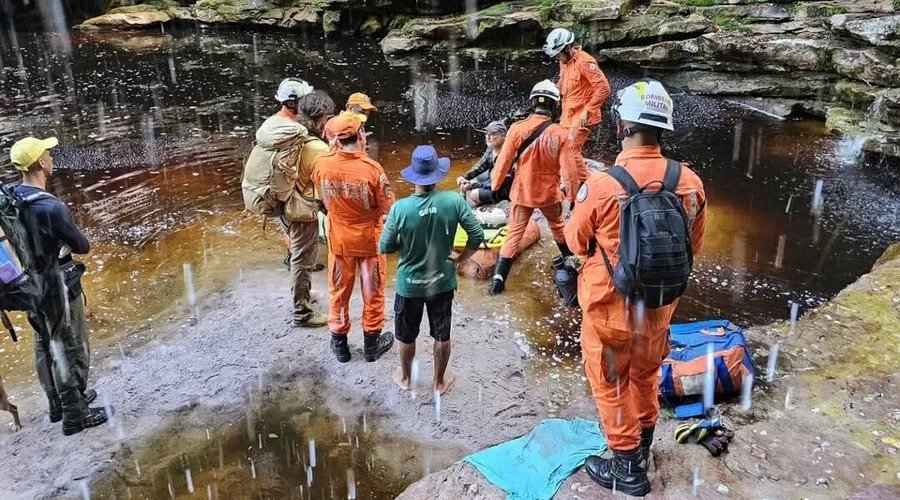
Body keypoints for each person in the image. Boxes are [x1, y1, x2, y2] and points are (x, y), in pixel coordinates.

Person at [565, 80, 707, 496]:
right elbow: (691, 246)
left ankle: (627, 468)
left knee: (610, 383)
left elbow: (576, 241)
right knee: (645, 376)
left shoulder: (604, 184)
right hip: (659, 307)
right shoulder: (690, 182)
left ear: (623, 123)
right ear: (664, 126)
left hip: (610, 311)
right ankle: (644, 443)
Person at [10, 136, 110, 435]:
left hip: (29, 287)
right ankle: (75, 414)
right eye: (48, 154)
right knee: (71, 345)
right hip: (58, 286)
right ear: (40, 163)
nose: (52, 158)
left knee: (44, 343)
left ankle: (57, 405)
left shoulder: (13, 198)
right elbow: (81, 245)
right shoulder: (50, 207)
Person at [380, 145, 484, 395]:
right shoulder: (453, 201)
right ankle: (438, 382)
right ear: (437, 173)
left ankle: (405, 378)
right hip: (442, 281)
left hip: (410, 284)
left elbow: (386, 246)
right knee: (441, 333)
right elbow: (477, 234)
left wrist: (404, 237)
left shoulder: (400, 209)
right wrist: (461, 258)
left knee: (406, 335)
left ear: (413, 176)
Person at [487, 80, 584, 295]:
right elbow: (569, 171)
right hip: (549, 194)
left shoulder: (516, 129)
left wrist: (495, 185)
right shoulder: (561, 134)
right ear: (554, 105)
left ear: (532, 102)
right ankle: (570, 265)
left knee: (514, 234)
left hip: (522, 193)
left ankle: (497, 282)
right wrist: (573, 198)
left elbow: (503, 162)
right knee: (558, 226)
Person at [312, 111, 395, 363]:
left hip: (339, 240)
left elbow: (321, 202)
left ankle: (340, 346)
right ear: (360, 135)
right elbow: (389, 208)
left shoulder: (322, 164)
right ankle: (371, 344)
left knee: (338, 290)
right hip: (369, 240)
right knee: (373, 291)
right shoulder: (371, 169)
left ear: (335, 139)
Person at [247, 77, 327, 328]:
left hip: (277, 200)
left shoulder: (274, 127)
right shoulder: (307, 143)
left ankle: (303, 293)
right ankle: (302, 312)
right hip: (299, 208)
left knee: (295, 253)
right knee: (304, 259)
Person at [543, 27, 611, 169]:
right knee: (561, 148)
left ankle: (585, 183)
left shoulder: (585, 62)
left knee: (570, 150)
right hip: (567, 114)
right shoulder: (564, 62)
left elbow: (603, 88)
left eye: (558, 54)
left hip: (582, 116)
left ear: (567, 48)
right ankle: (575, 176)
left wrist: (588, 110)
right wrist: (552, 93)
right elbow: (563, 82)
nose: (556, 58)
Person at [456, 120, 509, 207]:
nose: (487, 137)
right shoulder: (492, 147)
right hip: (495, 180)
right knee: (478, 176)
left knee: (474, 194)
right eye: (486, 133)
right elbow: (481, 165)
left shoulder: (508, 153)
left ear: (502, 135)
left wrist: (473, 185)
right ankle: (483, 199)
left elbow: (499, 182)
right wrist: (465, 177)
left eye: (492, 134)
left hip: (504, 188)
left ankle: (486, 203)